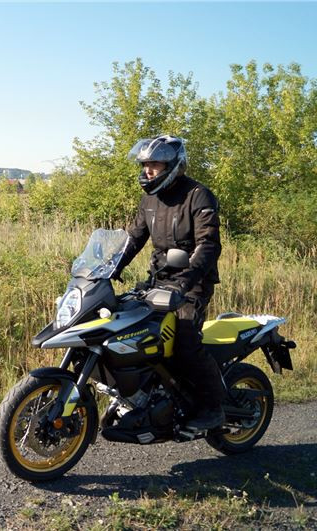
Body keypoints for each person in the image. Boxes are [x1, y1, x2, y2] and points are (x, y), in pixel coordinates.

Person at [114, 135, 226, 431]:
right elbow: (133, 238)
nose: (148, 170)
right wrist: (108, 268)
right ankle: (154, 396)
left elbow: (208, 244)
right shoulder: (150, 199)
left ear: (174, 165)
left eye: (155, 164)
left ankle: (213, 407)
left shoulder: (198, 195)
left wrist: (186, 280)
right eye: (145, 164)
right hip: (159, 281)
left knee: (184, 339)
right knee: (133, 331)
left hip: (193, 283)